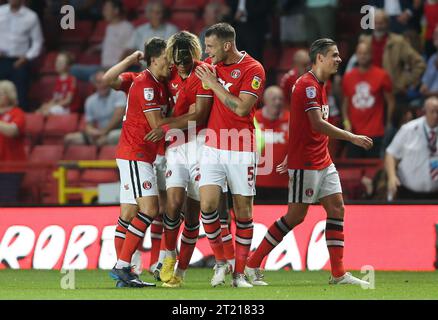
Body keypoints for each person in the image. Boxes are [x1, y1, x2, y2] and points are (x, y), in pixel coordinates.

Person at [246, 38, 372, 286]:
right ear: (320, 58)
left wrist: (288, 150)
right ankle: (251, 264)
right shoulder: (307, 85)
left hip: (322, 159)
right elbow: (316, 123)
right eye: (334, 55)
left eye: (338, 55)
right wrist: (352, 137)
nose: (339, 59)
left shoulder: (320, 84)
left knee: (337, 209)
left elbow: (300, 124)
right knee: (295, 216)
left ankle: (338, 273)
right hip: (306, 163)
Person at [194, 23, 266, 288]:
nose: (206, 52)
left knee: (243, 213)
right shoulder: (210, 66)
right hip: (213, 146)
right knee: (208, 206)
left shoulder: (253, 69)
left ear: (227, 45)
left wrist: (213, 83)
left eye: (210, 47)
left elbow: (241, 108)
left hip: (241, 148)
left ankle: (239, 273)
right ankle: (221, 262)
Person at [103, 37, 171, 288]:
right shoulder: (145, 83)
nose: (171, 62)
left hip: (141, 154)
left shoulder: (159, 82)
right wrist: (190, 120)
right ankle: (122, 266)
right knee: (150, 210)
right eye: (167, 57)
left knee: (129, 214)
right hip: (136, 154)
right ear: (154, 59)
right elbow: (156, 124)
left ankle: (126, 274)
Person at [349, 10, 425, 102]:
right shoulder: (365, 42)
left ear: (387, 23)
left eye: (381, 23)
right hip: (369, 92)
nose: (378, 26)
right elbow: (356, 65)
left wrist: (403, 82)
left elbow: (419, 63)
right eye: (375, 23)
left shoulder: (398, 42)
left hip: (392, 92)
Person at [342, 42, 395, 158]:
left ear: (371, 55)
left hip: (376, 133)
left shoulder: (382, 75)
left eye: (365, 53)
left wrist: (388, 123)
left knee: (374, 170)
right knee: (354, 171)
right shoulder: (348, 77)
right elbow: (345, 104)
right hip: (354, 135)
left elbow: (391, 101)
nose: (362, 56)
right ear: (356, 55)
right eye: (360, 53)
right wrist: (346, 123)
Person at [385, 97, 438, 201]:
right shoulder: (409, 129)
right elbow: (390, 154)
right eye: (432, 111)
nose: (436, 115)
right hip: (408, 193)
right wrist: (391, 176)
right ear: (424, 112)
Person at [70, 0, 134, 81]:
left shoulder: (127, 27)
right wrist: (94, 49)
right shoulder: (109, 27)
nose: (104, 12)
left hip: (113, 69)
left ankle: (99, 80)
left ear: (116, 11)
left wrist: (116, 69)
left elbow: (128, 50)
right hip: (103, 67)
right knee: (73, 69)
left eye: (106, 9)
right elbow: (107, 44)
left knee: (76, 70)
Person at [0, 0, 43, 111]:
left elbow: (38, 42)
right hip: (1, 60)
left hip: (19, 62)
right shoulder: (0, 11)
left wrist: (27, 57)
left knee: (21, 97)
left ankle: (20, 122)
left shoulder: (31, 16)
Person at [64, 70, 125, 147]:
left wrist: (104, 132)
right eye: (99, 82)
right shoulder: (90, 100)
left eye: (105, 81)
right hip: (100, 133)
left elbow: (118, 117)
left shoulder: (119, 94)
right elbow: (89, 124)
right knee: (69, 139)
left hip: (119, 131)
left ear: (110, 82)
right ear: (94, 84)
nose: (102, 85)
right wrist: (91, 131)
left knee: (109, 138)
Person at [254, 86, 289, 202]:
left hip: (284, 185)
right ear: (265, 100)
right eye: (274, 99)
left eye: (280, 99)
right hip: (256, 184)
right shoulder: (253, 119)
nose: (278, 102)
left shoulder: (291, 120)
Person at [0, 80, 26, 204]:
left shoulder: (17, 113)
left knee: (6, 201)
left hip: (11, 167)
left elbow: (12, 131)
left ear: (9, 95)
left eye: (0, 94)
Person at [420, 26, 438, 99]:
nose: (434, 36)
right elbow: (425, 84)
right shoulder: (432, 58)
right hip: (429, 100)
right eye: (434, 34)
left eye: (437, 34)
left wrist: (429, 93)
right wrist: (424, 88)